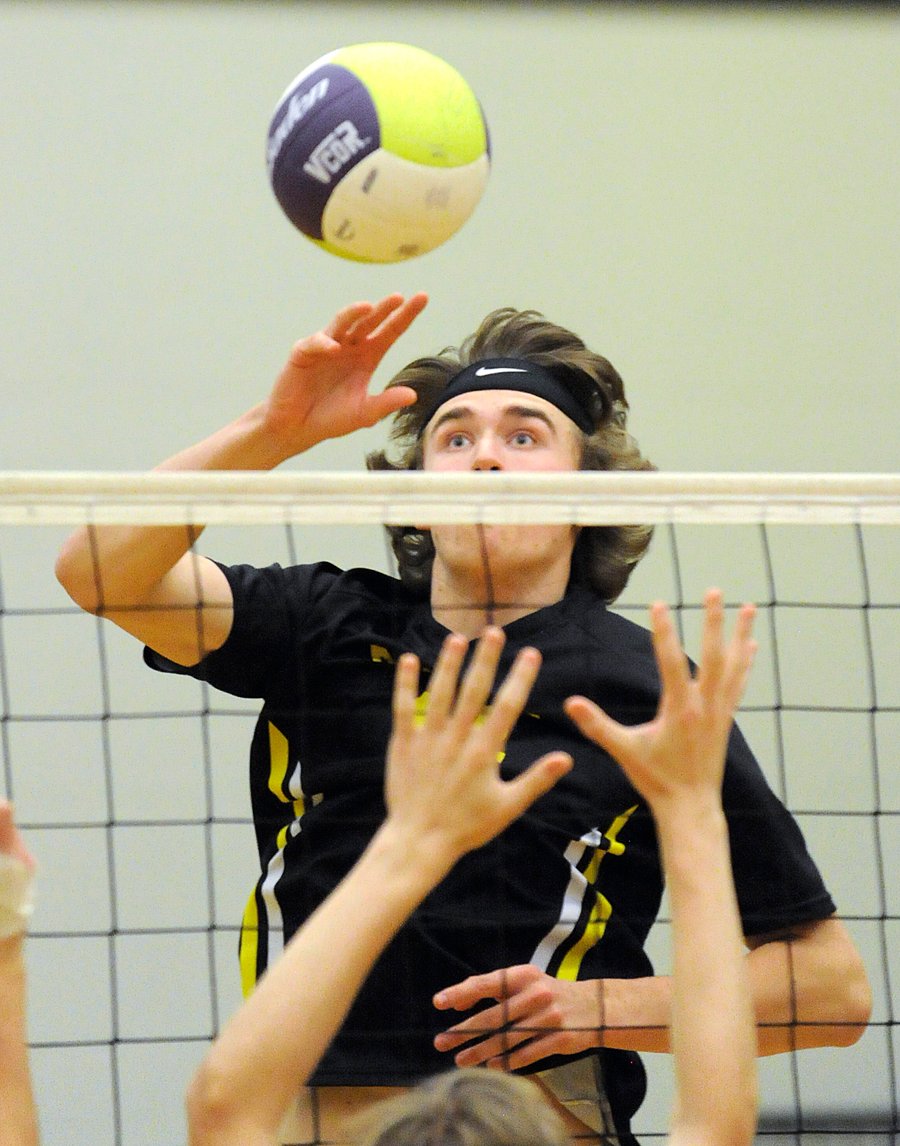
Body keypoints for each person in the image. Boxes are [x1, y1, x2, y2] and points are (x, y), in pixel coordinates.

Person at [55, 293, 871, 1144]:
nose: (486, 459)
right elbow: (99, 573)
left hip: (540, 1121)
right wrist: (276, 430)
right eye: (455, 438)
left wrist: (601, 1008)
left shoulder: (645, 684)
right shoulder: (322, 623)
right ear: (414, 498)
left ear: (586, 494)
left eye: (524, 436)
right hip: (322, 1121)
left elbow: (829, 991)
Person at [2, 595, 759, 1145]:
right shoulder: (335, 619)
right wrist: (692, 808)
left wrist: (415, 840)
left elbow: (223, 1106)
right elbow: (716, 1122)